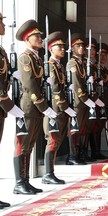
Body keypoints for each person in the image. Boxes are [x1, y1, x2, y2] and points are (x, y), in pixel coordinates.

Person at [14, 19, 57, 195]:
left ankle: (25, 180)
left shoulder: (36, 58)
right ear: (27, 39)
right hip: (29, 107)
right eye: (36, 36)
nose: (40, 38)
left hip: (36, 109)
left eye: (40, 36)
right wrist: (43, 106)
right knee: (22, 145)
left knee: (30, 145)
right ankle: (19, 182)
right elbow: (30, 85)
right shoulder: (25, 58)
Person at [42, 31, 77, 184]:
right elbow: (55, 89)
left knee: (58, 140)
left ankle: (50, 172)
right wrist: (64, 107)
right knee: (53, 140)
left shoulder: (59, 66)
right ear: (51, 49)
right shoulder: (50, 66)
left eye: (63, 46)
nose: (63, 49)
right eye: (59, 47)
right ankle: (48, 173)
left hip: (61, 110)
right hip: (55, 110)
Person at [0, 12, 24, 208]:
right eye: (0, 21)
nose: (3, 25)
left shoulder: (1, 49)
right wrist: (9, 105)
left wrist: (10, 74)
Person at [66, 33, 96, 165]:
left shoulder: (82, 63)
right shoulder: (72, 63)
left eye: (82, 46)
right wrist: (85, 99)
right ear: (72, 48)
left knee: (81, 129)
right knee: (74, 129)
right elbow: (77, 84)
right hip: (77, 102)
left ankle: (78, 153)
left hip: (83, 102)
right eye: (78, 46)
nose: (81, 48)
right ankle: (72, 155)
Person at [83, 37, 105, 161]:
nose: (92, 51)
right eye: (89, 48)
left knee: (92, 127)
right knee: (84, 129)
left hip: (94, 99)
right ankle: (82, 153)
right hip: (86, 100)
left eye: (94, 49)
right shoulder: (83, 64)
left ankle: (90, 152)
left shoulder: (93, 64)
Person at [94, 42, 108, 159]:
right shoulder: (95, 69)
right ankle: (95, 152)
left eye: (105, 55)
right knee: (95, 128)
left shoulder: (104, 70)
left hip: (105, 103)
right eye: (101, 55)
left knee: (99, 128)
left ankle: (97, 151)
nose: (103, 58)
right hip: (98, 103)